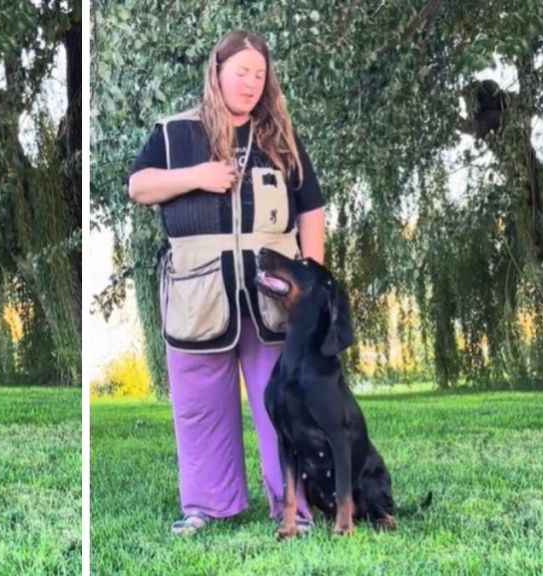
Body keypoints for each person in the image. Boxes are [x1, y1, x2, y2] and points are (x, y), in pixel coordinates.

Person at [128, 30, 327, 535]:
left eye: (260, 74)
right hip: (198, 293)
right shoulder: (174, 133)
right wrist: (197, 176)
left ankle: (293, 508)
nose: (251, 83)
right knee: (199, 408)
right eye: (242, 72)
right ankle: (205, 507)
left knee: (282, 403)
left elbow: (312, 208)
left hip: (271, 294)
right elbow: (139, 185)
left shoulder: (280, 136)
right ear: (216, 73)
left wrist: (313, 280)